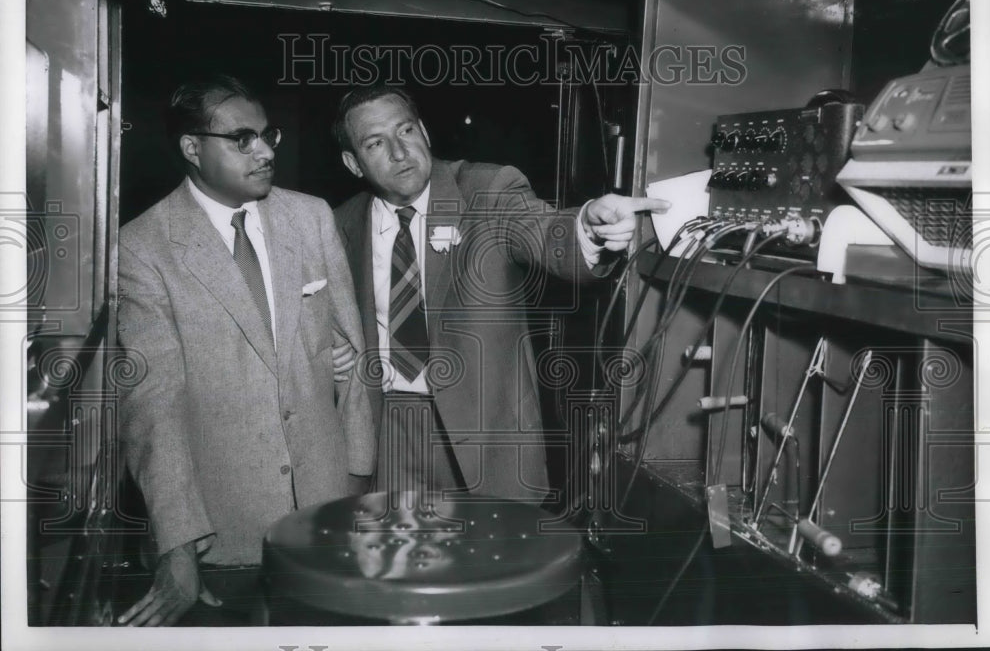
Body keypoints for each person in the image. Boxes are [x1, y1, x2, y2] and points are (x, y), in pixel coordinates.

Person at [116, 75, 373, 626]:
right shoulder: (142, 248)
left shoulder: (310, 218)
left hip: (328, 518)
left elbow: (351, 361)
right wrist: (178, 546)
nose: (264, 152)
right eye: (242, 139)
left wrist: (355, 479)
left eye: (267, 136)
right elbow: (153, 408)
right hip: (223, 537)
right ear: (192, 148)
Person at [333, 84, 667, 501]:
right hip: (390, 434)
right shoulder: (339, 225)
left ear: (425, 132)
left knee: (492, 563)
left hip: (486, 435)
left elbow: (542, 231)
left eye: (405, 132)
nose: (400, 153)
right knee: (399, 560)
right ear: (353, 162)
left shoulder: (488, 191)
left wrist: (587, 229)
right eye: (376, 143)